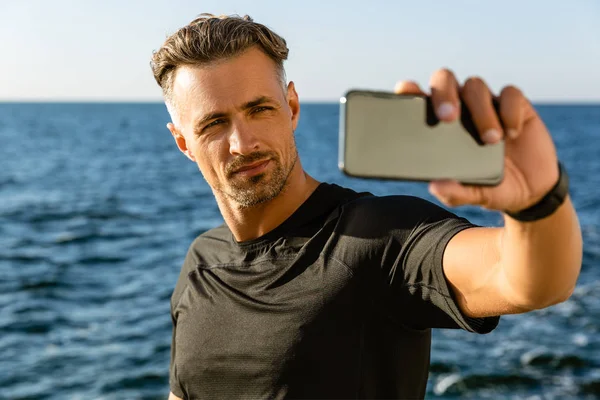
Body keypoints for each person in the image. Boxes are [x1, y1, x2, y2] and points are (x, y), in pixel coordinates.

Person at [150, 13, 582, 400]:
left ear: (292, 107)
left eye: (260, 109)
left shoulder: (378, 236)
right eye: (214, 123)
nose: (244, 143)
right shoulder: (202, 262)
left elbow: (525, 281)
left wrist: (537, 202)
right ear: (184, 143)